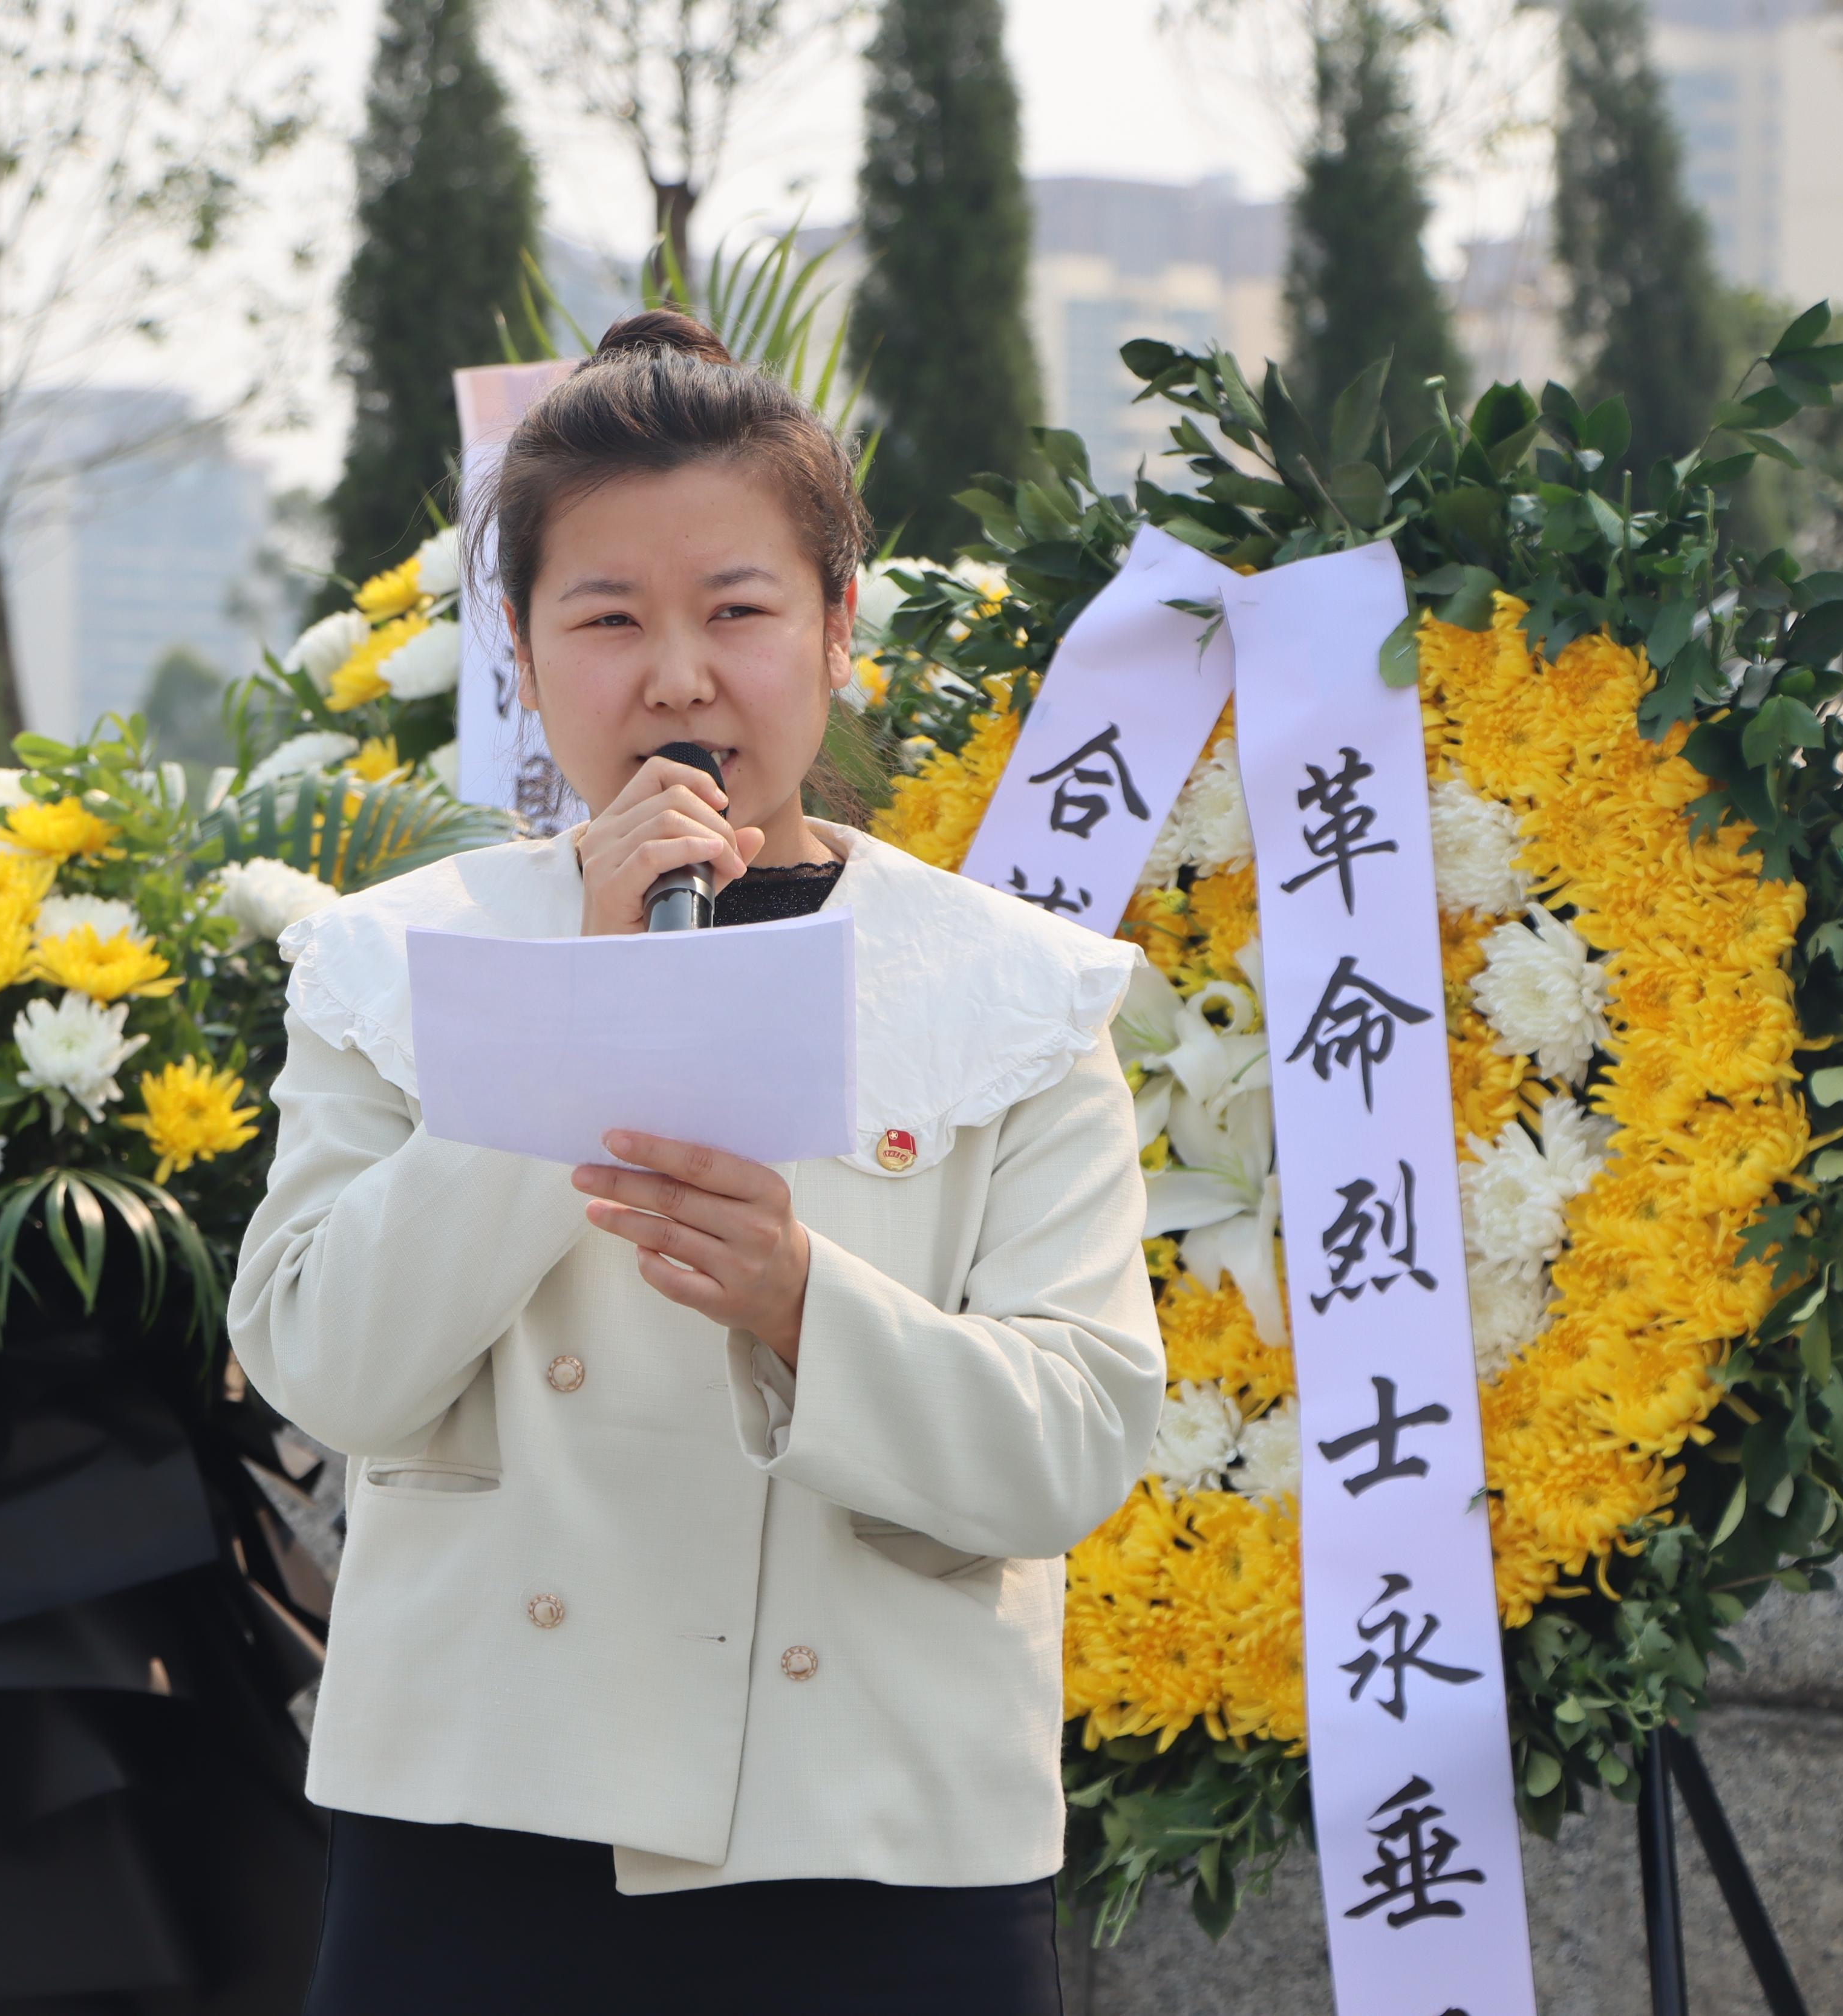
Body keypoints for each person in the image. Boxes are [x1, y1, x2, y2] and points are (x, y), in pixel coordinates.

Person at [230, 310, 1164, 2016]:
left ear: (838, 627)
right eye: (607, 619)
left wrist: (805, 1302)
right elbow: (329, 1368)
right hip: (483, 1818)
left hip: (879, 1832)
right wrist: (578, 1014)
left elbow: (1078, 1441)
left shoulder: (1013, 992)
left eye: (738, 610)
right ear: (519, 654)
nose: (677, 677)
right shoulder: (394, 963)